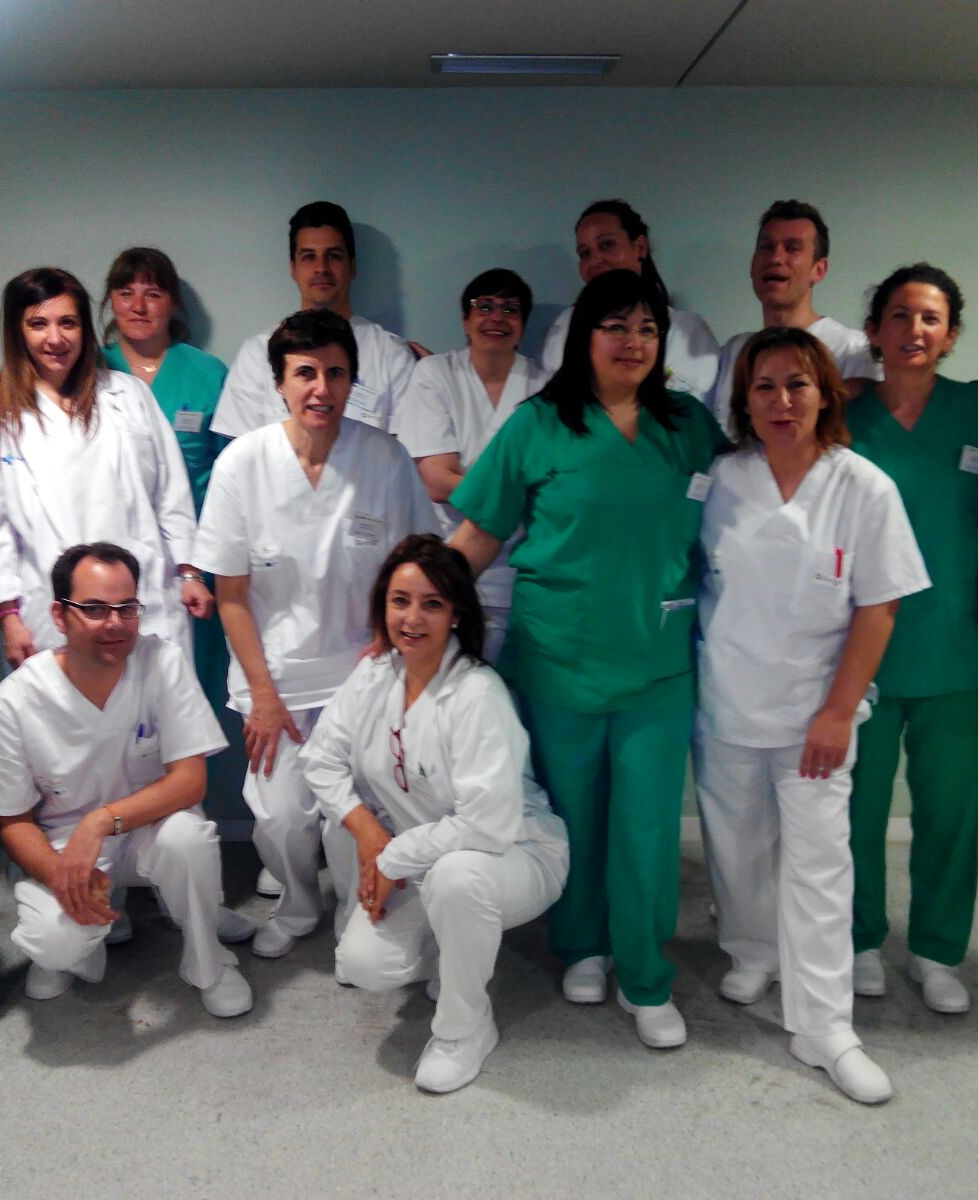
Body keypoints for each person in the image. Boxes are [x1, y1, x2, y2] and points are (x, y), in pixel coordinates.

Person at [450, 269, 725, 1050]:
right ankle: (581, 947)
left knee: (646, 827)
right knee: (570, 816)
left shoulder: (687, 425)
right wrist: (415, 608)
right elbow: (477, 534)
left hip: (655, 660)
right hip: (557, 656)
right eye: (615, 326)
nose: (632, 341)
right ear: (583, 338)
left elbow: (739, 517)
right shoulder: (539, 424)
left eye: (647, 328)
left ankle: (643, 973)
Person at [695, 327, 929, 1104]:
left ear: (826, 393)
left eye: (797, 384)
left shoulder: (863, 487)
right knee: (735, 847)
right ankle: (752, 950)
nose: (781, 401)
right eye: (763, 387)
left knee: (820, 864)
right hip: (726, 698)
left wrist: (836, 710)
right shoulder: (720, 480)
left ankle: (825, 1027)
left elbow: (879, 606)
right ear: (743, 402)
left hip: (814, 714)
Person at [195, 310, 438, 960]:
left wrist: (386, 644)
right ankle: (299, 905)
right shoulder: (243, 464)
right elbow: (231, 595)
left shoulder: (383, 458)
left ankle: (355, 918)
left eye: (336, 373)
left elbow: (414, 565)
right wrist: (263, 695)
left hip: (361, 674)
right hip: (272, 676)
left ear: (352, 380)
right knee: (279, 815)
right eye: (305, 373)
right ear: (279, 382)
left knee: (353, 811)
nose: (321, 388)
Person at [301, 535, 569, 1093]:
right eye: (400, 601)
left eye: (432, 604)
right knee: (365, 965)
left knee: (457, 878)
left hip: (515, 854)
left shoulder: (477, 693)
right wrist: (367, 828)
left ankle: (464, 1029)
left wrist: (390, 856)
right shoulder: (375, 675)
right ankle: (453, 952)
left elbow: (485, 825)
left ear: (457, 614)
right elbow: (319, 758)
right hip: (421, 855)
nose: (412, 618)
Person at [0, 542, 253, 1017]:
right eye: (95, 609)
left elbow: (190, 782)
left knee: (188, 838)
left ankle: (208, 960)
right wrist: (65, 879)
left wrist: (101, 821)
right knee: (55, 945)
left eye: (127, 608)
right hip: (63, 845)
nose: (115, 623)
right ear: (59, 616)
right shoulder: (14, 701)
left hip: (148, 828)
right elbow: (12, 819)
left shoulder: (161, 662)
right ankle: (82, 940)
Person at [845, 264, 978, 1013]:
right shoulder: (843, 417)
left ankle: (936, 951)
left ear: (951, 335)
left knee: (949, 812)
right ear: (873, 331)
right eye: (899, 316)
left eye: (931, 318)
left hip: (955, 649)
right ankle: (857, 940)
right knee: (856, 809)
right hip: (862, 652)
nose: (914, 330)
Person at [0, 267, 210, 669]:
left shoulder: (128, 395)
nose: (55, 338)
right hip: (51, 608)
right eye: (38, 324)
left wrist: (189, 572)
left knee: (153, 704)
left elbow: (170, 492)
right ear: (17, 331)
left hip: (144, 598)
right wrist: (8, 616)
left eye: (68, 323)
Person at [392, 268, 550, 660]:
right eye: (485, 307)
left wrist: (473, 486)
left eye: (510, 309)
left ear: (523, 324)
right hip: (450, 568)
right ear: (465, 320)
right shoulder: (435, 374)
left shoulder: (545, 386)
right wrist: (516, 493)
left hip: (523, 578)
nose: (497, 317)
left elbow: (551, 486)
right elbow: (436, 481)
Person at [101, 247, 233, 705]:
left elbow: (231, 474)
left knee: (191, 689)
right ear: (111, 301)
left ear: (172, 302)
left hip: (196, 555)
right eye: (126, 293)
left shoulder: (207, 374)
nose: (139, 307)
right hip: (113, 551)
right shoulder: (91, 371)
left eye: (153, 294)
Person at [210, 201, 425, 439]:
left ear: (352, 266)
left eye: (333, 256)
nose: (321, 268)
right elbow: (240, 448)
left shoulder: (391, 355)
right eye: (309, 257)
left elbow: (407, 449)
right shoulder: (256, 354)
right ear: (293, 269)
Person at [707, 200, 879, 428]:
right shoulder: (734, 350)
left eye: (792, 248)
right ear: (752, 264)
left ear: (819, 269)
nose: (775, 258)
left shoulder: (853, 350)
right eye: (766, 247)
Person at [539, 199, 720, 401]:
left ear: (641, 247)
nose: (595, 260)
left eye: (607, 245)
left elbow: (685, 412)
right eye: (585, 253)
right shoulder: (564, 327)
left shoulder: (687, 332)